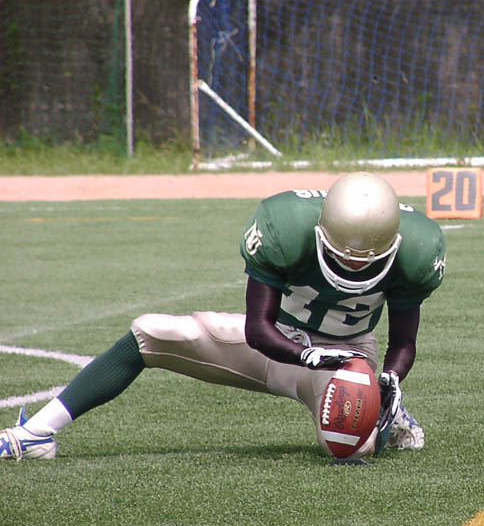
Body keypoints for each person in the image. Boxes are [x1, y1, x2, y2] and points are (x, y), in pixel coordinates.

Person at [1, 172, 446, 461]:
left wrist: (389, 378)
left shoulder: (418, 249)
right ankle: (38, 433)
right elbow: (258, 329)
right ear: (320, 230)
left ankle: (380, 408)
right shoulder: (286, 223)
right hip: (278, 341)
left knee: (349, 448)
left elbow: (403, 342)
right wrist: (307, 356)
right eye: (341, 253)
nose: (352, 264)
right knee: (151, 332)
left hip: (347, 358)